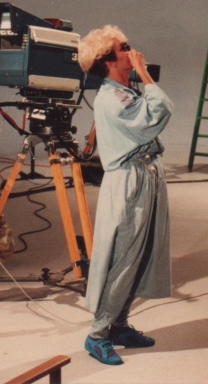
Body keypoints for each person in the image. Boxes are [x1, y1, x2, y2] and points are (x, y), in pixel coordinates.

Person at [76, 25, 173, 366]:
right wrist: (145, 74)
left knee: (142, 255)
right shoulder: (112, 98)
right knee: (123, 258)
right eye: (124, 47)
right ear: (108, 60)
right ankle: (97, 335)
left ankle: (119, 325)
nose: (132, 52)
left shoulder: (123, 92)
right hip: (130, 181)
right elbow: (158, 112)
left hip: (145, 175)